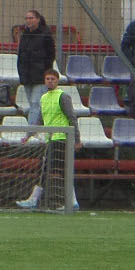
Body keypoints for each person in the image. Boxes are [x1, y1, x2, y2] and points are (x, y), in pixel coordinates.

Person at [16, 68, 79, 211]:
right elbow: (40, 120)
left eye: (53, 79)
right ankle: (72, 201)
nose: (50, 81)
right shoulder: (44, 98)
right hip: (51, 139)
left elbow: (72, 118)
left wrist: (77, 139)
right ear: (44, 81)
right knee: (58, 170)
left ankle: (34, 199)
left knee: (46, 169)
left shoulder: (62, 96)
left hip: (62, 138)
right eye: (47, 79)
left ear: (57, 81)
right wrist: (28, 135)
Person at [16, 9, 56, 121]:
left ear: (38, 19)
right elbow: (21, 55)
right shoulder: (25, 35)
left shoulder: (45, 34)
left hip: (40, 75)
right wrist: (21, 72)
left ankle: (31, 129)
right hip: (26, 75)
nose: (28, 20)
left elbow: (51, 55)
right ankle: (41, 126)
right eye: (27, 18)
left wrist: (45, 71)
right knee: (34, 104)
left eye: (31, 18)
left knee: (35, 104)